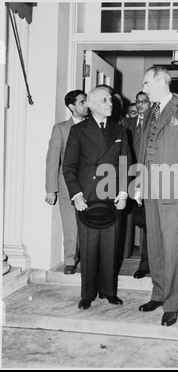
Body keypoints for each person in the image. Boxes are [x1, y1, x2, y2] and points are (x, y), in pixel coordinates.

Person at [135, 66, 178, 327]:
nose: (143, 89)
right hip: (151, 187)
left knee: (173, 247)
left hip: (175, 188)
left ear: (161, 81)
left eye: (146, 83)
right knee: (154, 244)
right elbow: (144, 147)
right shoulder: (151, 110)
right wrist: (139, 183)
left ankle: (172, 304)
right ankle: (158, 293)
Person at [63, 86, 131, 310]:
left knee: (111, 246)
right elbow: (69, 166)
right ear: (90, 105)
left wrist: (123, 192)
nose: (110, 103)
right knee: (89, 246)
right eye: (104, 100)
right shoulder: (78, 131)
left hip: (111, 195)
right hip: (87, 197)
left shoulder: (120, 131)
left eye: (110, 100)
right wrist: (76, 195)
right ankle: (88, 293)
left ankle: (109, 291)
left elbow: (125, 164)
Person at [45, 90, 88, 275]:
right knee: (70, 225)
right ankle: (70, 260)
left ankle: (89, 260)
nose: (86, 105)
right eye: (82, 102)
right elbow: (53, 159)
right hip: (66, 186)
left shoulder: (93, 126)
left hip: (90, 184)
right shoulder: (61, 128)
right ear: (72, 106)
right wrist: (51, 189)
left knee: (90, 224)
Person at [123, 91, 151, 279]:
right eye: (138, 101)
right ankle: (124, 254)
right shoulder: (127, 124)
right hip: (130, 176)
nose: (140, 105)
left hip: (150, 176)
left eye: (144, 101)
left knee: (148, 223)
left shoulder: (155, 122)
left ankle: (145, 263)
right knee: (130, 218)